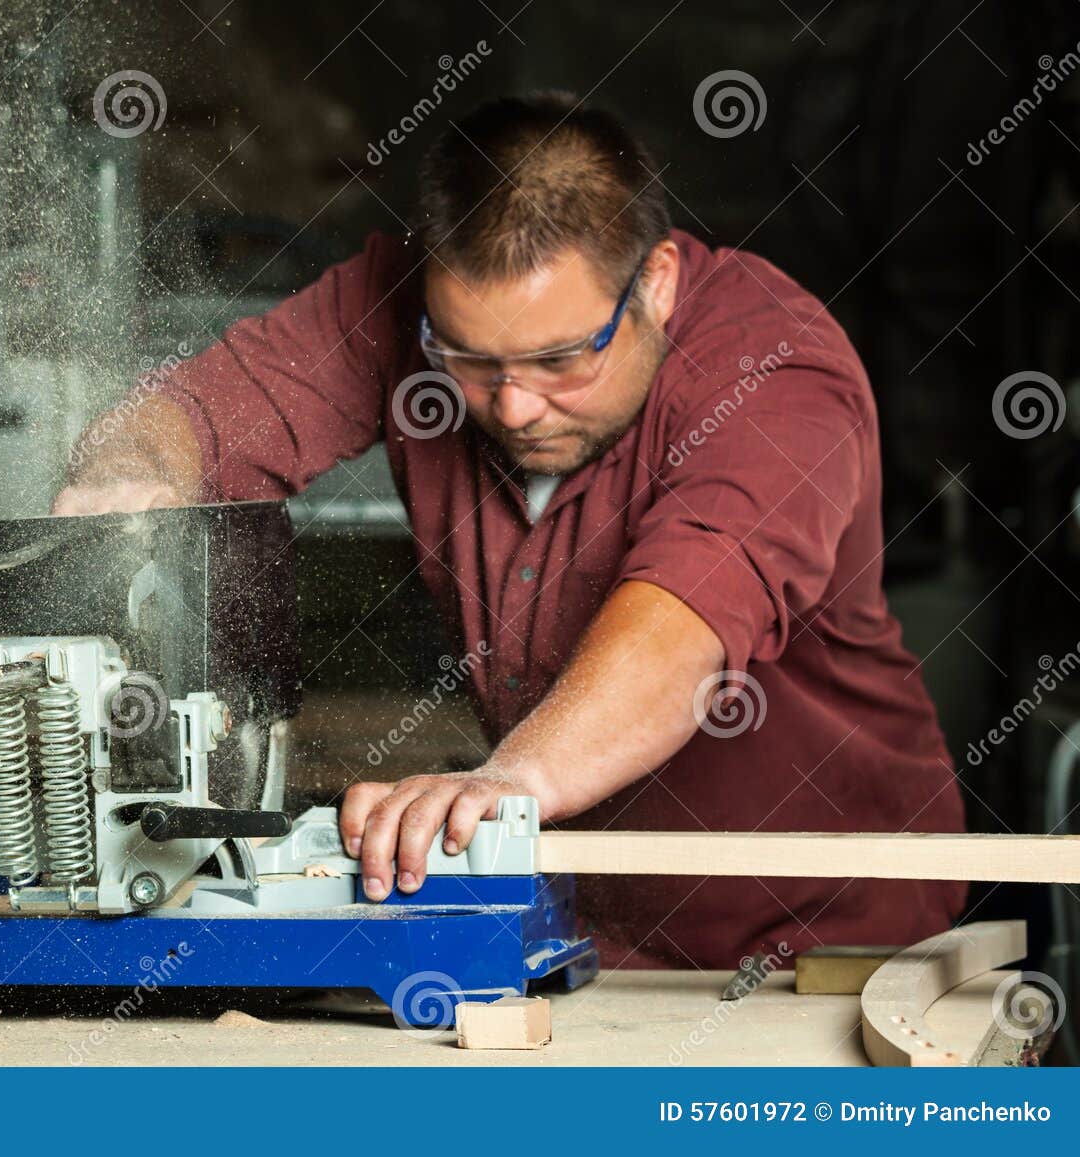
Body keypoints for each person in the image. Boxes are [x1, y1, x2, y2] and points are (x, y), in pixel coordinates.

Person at [53, 91, 965, 968]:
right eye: (470, 361)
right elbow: (198, 412)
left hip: (833, 945)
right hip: (593, 937)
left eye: (561, 358)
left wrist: (509, 783)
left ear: (656, 281)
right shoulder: (401, 304)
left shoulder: (777, 374)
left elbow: (683, 627)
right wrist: (128, 473)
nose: (516, 405)